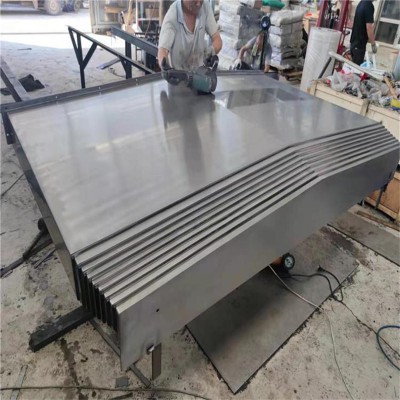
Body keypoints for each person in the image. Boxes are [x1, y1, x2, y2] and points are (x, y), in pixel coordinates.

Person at [157, 0, 222, 71]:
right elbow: (163, 51)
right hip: (178, 74)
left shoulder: (204, 6)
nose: (198, 4)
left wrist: (209, 54)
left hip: (200, 73)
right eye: (194, 1)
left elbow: (217, 38)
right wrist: (166, 69)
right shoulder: (172, 17)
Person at [350, 0, 377, 65]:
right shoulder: (369, 6)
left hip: (354, 42)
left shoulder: (361, 2)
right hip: (359, 44)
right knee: (356, 68)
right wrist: (373, 44)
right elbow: (369, 27)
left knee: (353, 66)